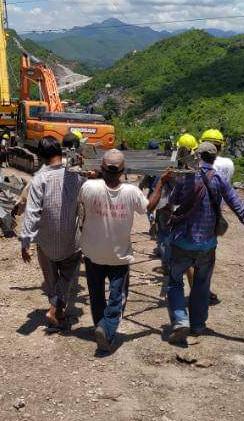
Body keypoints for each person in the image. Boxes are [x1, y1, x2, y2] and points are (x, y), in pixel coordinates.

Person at [152, 141, 244, 344]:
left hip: (182, 241)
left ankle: (181, 321)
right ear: (215, 157)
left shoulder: (186, 177)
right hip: (207, 245)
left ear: (198, 156)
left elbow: (171, 202)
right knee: (201, 284)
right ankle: (198, 325)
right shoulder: (220, 179)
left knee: (174, 281)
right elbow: (241, 210)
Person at [78, 149, 164, 351]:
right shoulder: (132, 192)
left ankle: (100, 326)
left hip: (93, 253)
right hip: (119, 256)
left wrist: (90, 174)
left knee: (96, 293)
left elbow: (81, 198)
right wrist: (162, 182)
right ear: (123, 170)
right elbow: (149, 207)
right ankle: (107, 330)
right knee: (117, 296)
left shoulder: (89, 187)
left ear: (101, 168)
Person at [19, 136, 85, 329]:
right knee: (67, 276)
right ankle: (55, 309)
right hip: (70, 241)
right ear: (60, 152)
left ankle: (55, 308)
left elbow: (32, 212)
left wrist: (25, 243)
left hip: (46, 242)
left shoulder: (39, 179)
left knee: (51, 279)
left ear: (41, 156)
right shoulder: (76, 174)